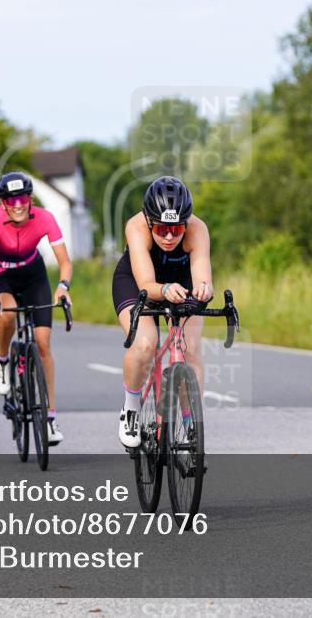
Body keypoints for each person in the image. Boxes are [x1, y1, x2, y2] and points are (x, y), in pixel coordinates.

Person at [111, 176, 213, 448]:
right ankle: (131, 409)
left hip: (180, 281)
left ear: (187, 222)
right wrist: (165, 289)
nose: (169, 236)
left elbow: (203, 277)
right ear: (148, 220)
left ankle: (192, 422)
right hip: (137, 282)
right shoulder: (135, 227)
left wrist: (203, 290)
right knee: (146, 344)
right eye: (161, 228)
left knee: (190, 348)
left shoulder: (197, 230)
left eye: (177, 229)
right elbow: (146, 284)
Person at [0, 172, 72, 445]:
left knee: (43, 344)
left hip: (34, 275)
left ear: (30, 199)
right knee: (7, 312)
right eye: (11, 200)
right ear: (2, 202)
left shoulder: (44, 218)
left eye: (22, 198)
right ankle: (2, 361)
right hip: (3, 276)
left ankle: (50, 419)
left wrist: (63, 287)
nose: (18, 204)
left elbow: (65, 262)